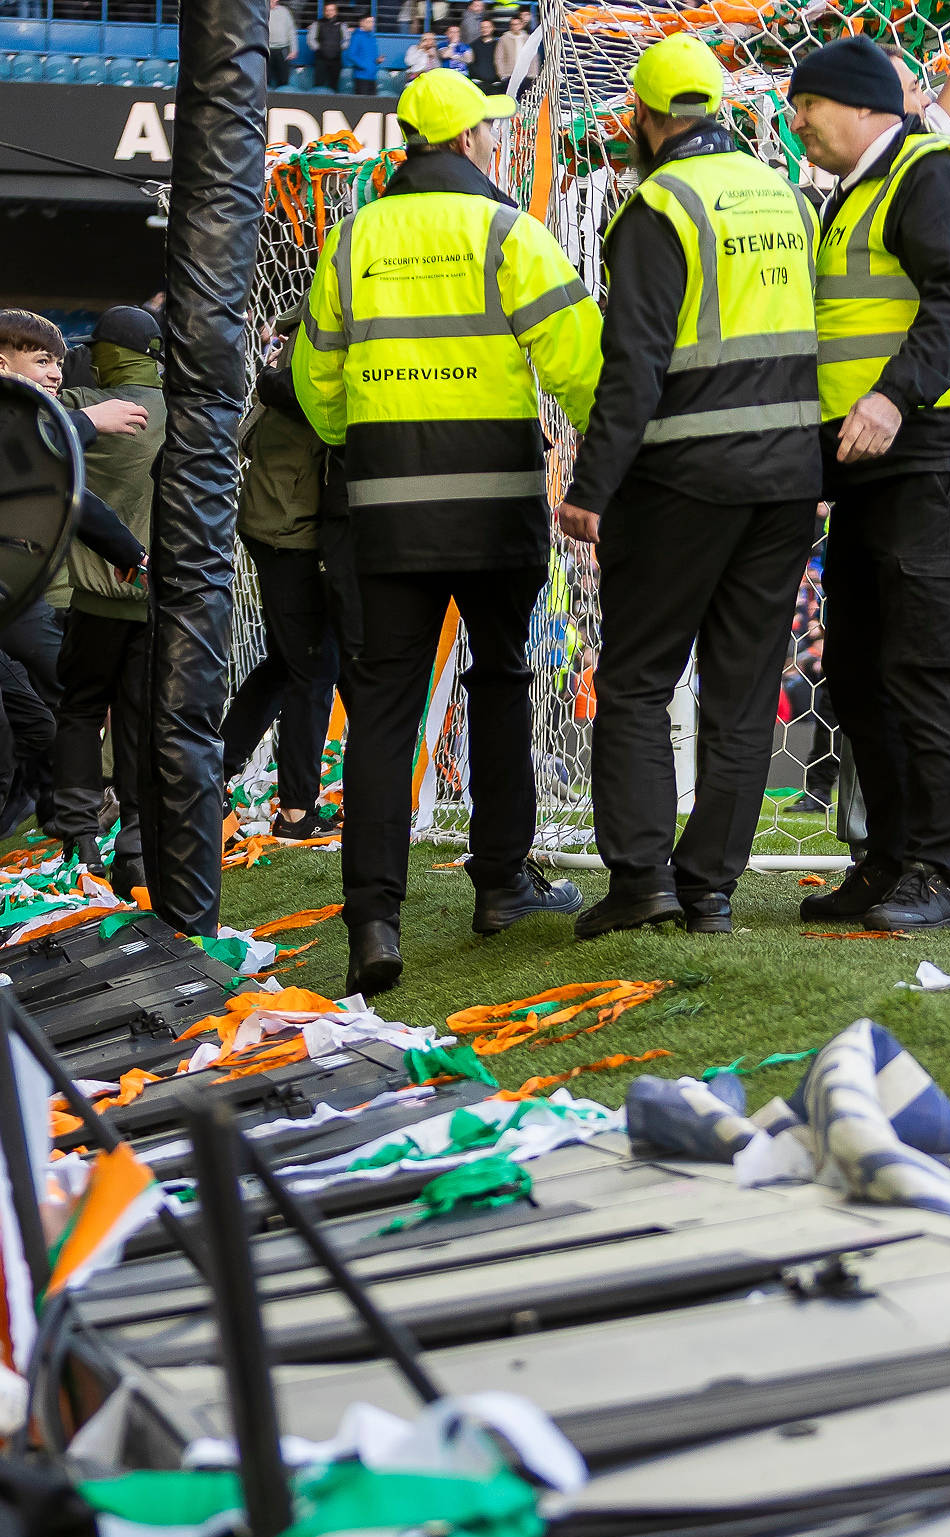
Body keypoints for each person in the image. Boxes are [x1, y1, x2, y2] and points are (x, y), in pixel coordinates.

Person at [292, 69, 601, 996]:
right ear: (472, 142)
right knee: (502, 679)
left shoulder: (352, 238)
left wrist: (369, 436)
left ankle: (373, 920)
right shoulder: (508, 229)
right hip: (497, 507)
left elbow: (315, 386)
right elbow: (579, 361)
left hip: (385, 511)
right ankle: (501, 883)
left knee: (384, 708)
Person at [556, 37, 821, 940]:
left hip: (683, 479)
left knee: (635, 679)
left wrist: (591, 485)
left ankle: (642, 880)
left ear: (644, 118)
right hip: (787, 479)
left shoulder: (656, 206)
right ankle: (710, 889)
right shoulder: (785, 194)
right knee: (742, 692)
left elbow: (632, 364)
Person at [784, 38, 950, 930]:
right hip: (871, 466)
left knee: (924, 666)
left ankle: (939, 871)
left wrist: (889, 396)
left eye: (809, 104)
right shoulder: (855, 193)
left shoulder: (928, 170)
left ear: (866, 106)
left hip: (938, 450)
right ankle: (884, 862)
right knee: (858, 667)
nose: (796, 120)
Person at [48, 306, 169, 896]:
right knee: (140, 722)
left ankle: (78, 841)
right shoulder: (188, 412)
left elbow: (11, 427)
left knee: (79, 711)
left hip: (93, 598)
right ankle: (137, 844)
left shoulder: (77, 414)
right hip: (161, 598)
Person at [223, 362, 343, 841]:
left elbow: (247, 439)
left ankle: (211, 772)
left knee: (287, 664)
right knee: (314, 668)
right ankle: (295, 811)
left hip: (276, 525)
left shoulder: (287, 370)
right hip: (292, 533)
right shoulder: (317, 372)